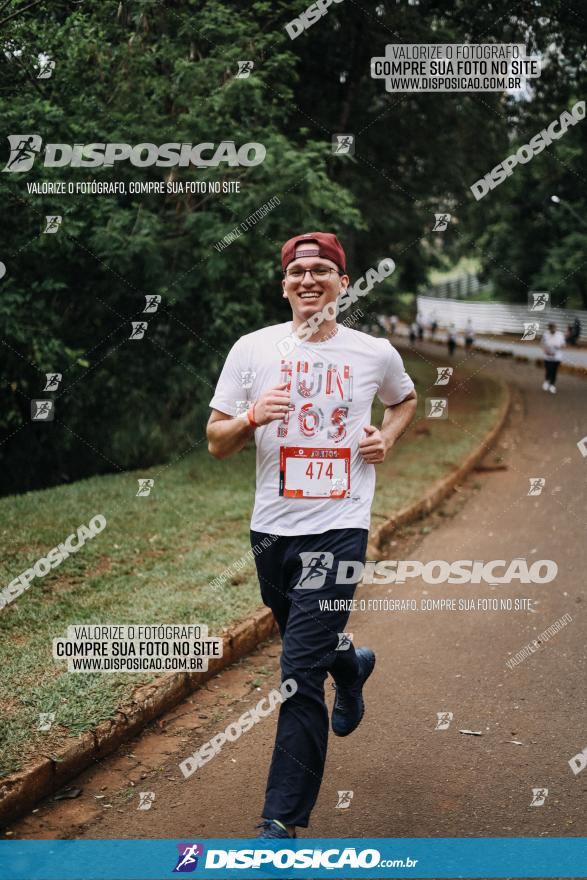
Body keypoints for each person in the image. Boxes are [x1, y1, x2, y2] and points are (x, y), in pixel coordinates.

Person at [207, 232, 417, 839]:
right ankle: (350, 664)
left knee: (298, 672)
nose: (309, 279)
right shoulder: (252, 349)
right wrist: (251, 416)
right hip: (272, 530)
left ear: (342, 283)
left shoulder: (373, 353)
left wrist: (388, 436)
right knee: (307, 640)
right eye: (298, 271)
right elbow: (216, 442)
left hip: (341, 529)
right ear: (284, 285)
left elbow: (404, 401)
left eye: (322, 270)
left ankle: (281, 820)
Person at [541, 321, 565, 393]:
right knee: (548, 370)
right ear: (549, 328)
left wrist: (558, 347)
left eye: (553, 327)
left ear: (555, 327)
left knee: (554, 371)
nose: (552, 328)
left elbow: (563, 345)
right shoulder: (545, 335)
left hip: (557, 357)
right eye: (550, 327)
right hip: (547, 357)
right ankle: (546, 381)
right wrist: (546, 351)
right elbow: (542, 344)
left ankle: (552, 385)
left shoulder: (560, 335)